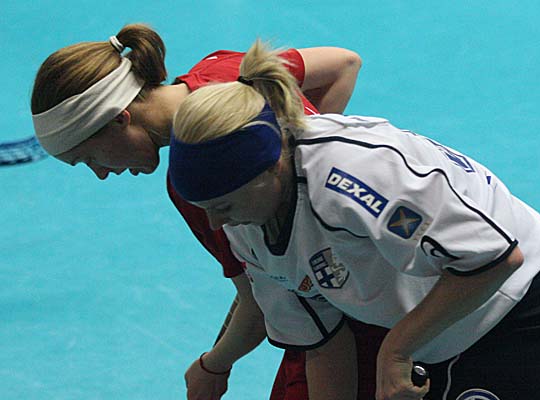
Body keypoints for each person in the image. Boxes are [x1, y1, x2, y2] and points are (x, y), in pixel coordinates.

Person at [168, 39, 540, 400]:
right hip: (436, 339)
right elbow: (323, 347)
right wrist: (405, 348)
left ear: (268, 169)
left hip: (520, 311)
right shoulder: (247, 227)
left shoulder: (356, 178)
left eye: (224, 205)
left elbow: (493, 257)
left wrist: (396, 350)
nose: (216, 224)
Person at [30, 23, 389, 400]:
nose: (101, 174)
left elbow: (258, 302)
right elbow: (343, 63)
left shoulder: (201, 183)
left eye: (88, 158)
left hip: (349, 324)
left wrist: (213, 365)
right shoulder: (226, 69)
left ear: (120, 118)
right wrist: (306, 155)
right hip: (377, 283)